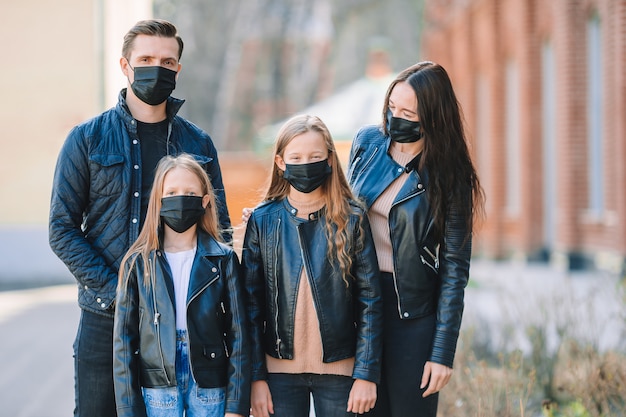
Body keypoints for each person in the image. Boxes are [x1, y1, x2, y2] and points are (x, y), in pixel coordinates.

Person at [48, 19, 232, 417]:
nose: (157, 67)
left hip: (183, 325)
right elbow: (61, 230)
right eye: (145, 58)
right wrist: (123, 294)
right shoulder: (87, 139)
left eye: (167, 61)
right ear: (125, 65)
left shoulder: (198, 144)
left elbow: (220, 229)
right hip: (105, 317)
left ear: (178, 70)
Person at [346, 61, 485, 416]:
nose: (396, 118)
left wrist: (442, 353)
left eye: (408, 112)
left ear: (434, 116)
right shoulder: (368, 143)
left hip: (412, 315)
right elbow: (338, 209)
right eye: (392, 107)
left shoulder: (450, 174)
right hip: (359, 306)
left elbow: (455, 269)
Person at [241, 114, 383, 417]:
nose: (306, 164)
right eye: (296, 157)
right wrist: (255, 377)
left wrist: (366, 373)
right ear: (280, 162)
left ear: (330, 159)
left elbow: (370, 300)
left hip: (341, 373)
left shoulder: (352, 219)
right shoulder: (263, 220)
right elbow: (250, 308)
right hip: (277, 375)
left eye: (315, 157)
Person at [113, 154, 250, 417]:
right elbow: (123, 341)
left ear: (205, 202)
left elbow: (239, 335)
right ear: (159, 201)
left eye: (189, 192)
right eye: (172, 192)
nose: (180, 198)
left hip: (210, 383)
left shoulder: (223, 259)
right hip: (157, 383)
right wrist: (128, 409)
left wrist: (236, 406)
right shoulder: (137, 262)